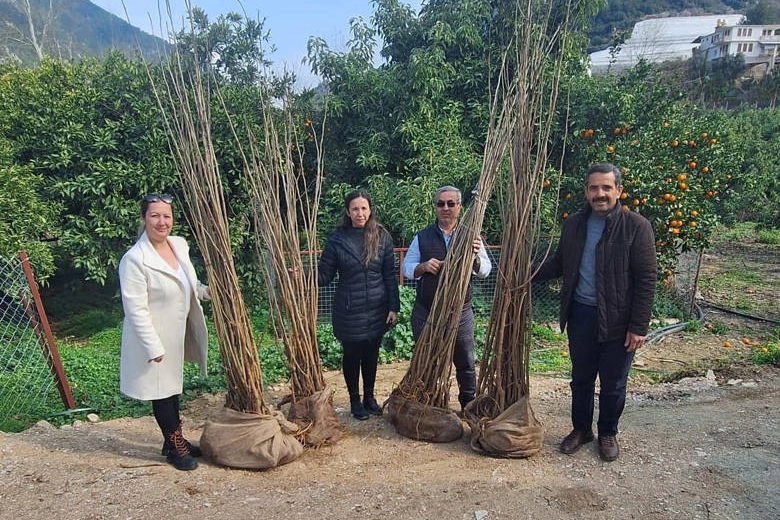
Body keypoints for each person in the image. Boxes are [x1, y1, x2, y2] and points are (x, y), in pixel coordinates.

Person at [534, 163, 657, 461]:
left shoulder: (636, 226)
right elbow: (560, 263)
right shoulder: (575, 224)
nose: (599, 194)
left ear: (618, 190)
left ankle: (607, 433)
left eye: (606, 188)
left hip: (619, 319)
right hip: (581, 315)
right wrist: (526, 273)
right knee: (581, 378)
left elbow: (646, 279)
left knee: (613, 382)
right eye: (593, 188)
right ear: (586, 191)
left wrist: (638, 325)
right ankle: (581, 429)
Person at [118, 193, 211, 471]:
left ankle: (173, 440)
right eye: (155, 216)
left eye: (166, 216)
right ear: (144, 218)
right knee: (162, 393)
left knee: (172, 390)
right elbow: (135, 309)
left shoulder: (178, 246)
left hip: (176, 334)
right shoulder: (135, 259)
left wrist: (206, 292)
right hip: (153, 338)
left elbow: (189, 284)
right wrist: (153, 347)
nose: (162, 222)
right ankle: (175, 448)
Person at [401, 186, 492, 412]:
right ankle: (428, 403)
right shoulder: (422, 236)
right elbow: (406, 267)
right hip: (427, 311)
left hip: (459, 312)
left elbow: (486, 270)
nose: (445, 208)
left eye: (451, 204)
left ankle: (468, 405)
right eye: (441, 204)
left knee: (465, 362)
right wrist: (423, 266)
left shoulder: (472, 236)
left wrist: (475, 259)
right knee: (426, 359)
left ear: (459, 207)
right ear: (435, 207)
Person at [318, 191, 400, 420]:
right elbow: (324, 275)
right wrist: (302, 274)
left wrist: (393, 306)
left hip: (377, 308)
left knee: (371, 355)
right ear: (348, 212)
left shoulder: (381, 236)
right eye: (355, 209)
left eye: (364, 208)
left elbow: (389, 274)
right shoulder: (337, 239)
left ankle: (370, 398)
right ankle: (355, 400)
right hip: (349, 308)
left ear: (370, 210)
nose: (360, 213)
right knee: (352, 356)